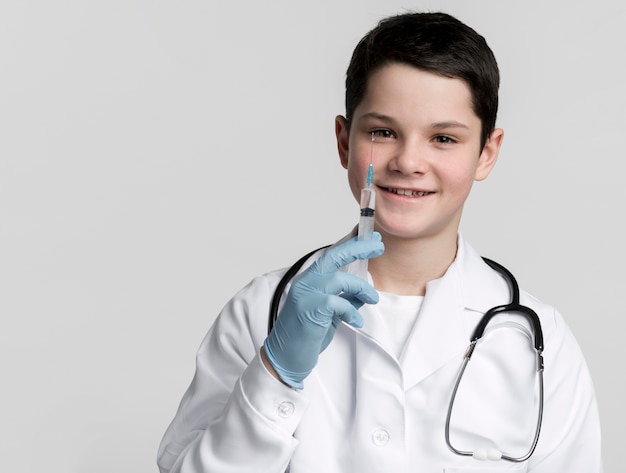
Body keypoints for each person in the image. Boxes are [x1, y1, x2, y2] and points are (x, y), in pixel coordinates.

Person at [157, 11, 603, 472]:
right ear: (345, 141)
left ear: (486, 154)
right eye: (383, 132)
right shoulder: (260, 312)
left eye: (444, 138)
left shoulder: (539, 339)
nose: (409, 161)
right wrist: (274, 374)